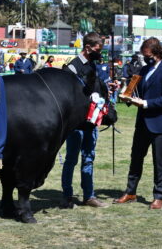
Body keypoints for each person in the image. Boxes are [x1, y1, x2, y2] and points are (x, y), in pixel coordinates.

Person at [114, 37, 162, 210]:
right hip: (142, 123)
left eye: (146, 54)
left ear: (155, 52)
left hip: (160, 124)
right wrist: (126, 96)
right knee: (135, 158)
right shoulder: (144, 69)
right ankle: (130, 192)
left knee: (158, 161)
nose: (144, 57)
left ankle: (158, 196)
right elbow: (136, 91)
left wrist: (145, 103)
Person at [60, 32, 108, 208]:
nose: (99, 52)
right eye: (97, 49)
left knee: (88, 158)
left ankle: (89, 196)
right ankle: (67, 196)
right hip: (76, 123)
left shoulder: (93, 65)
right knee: (71, 159)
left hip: (91, 121)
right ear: (88, 48)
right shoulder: (72, 67)